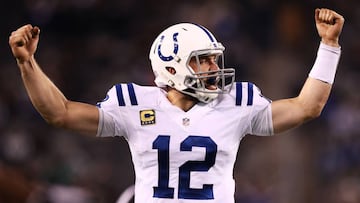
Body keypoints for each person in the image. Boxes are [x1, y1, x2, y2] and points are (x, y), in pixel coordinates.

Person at [9, 8, 344, 203]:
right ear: (171, 68)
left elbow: (306, 107)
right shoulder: (134, 104)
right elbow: (60, 113)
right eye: (203, 61)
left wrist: (328, 46)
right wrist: (28, 64)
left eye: (214, 59)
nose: (214, 68)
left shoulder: (236, 104)